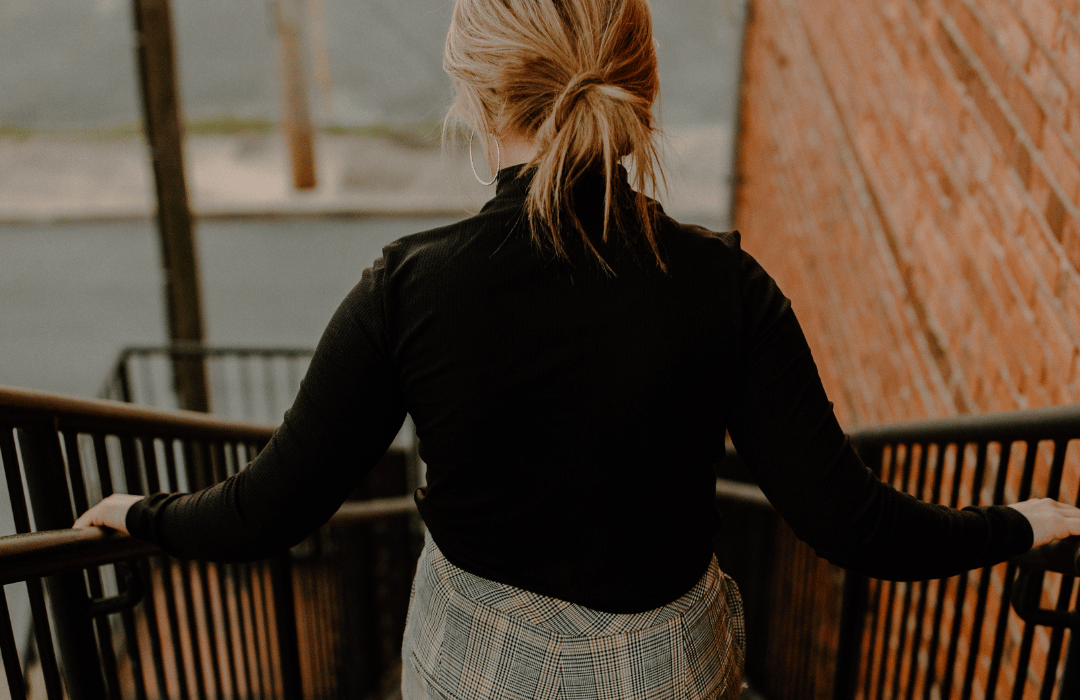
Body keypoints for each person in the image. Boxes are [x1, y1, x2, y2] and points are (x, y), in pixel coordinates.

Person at [76, 0, 1080, 698]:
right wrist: (1018, 523)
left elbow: (269, 508)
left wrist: (140, 514)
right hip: (670, 673)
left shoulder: (410, 288)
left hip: (471, 671)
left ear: (473, 94)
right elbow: (855, 526)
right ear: (637, 88)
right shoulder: (729, 289)